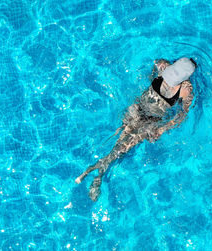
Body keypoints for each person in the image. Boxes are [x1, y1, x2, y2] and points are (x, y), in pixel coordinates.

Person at [75, 57, 196, 201]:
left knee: (119, 142)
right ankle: (98, 175)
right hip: (150, 122)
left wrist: (153, 77)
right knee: (122, 149)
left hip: (137, 108)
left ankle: (94, 169)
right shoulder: (186, 89)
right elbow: (182, 115)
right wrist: (163, 129)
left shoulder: (163, 66)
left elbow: (154, 64)